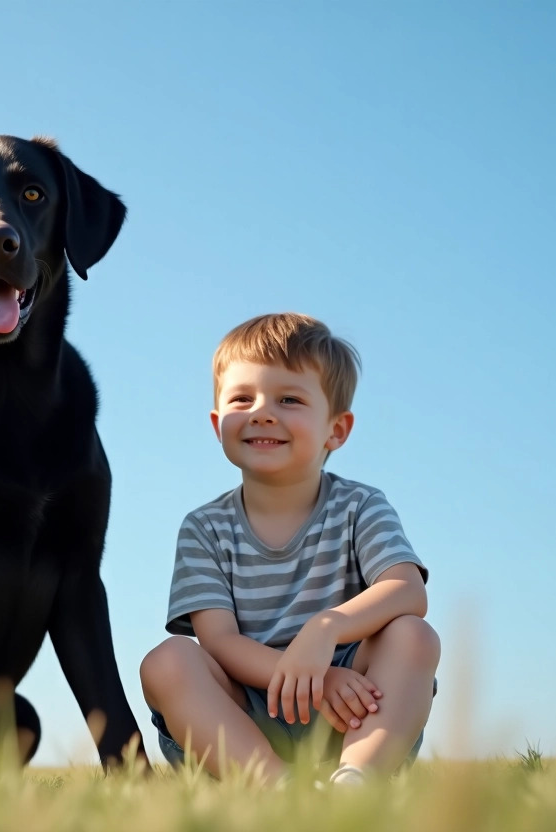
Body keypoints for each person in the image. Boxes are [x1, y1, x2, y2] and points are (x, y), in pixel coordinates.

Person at [140, 312, 440, 787]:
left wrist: (327, 629)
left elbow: (406, 590)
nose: (262, 411)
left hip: (354, 711)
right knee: (168, 660)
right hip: (243, 719)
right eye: (243, 398)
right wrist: (309, 681)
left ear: (336, 431)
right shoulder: (204, 528)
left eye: (289, 399)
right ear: (218, 423)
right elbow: (218, 641)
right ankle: (276, 790)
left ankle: (354, 782)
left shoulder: (359, 505)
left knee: (413, 635)